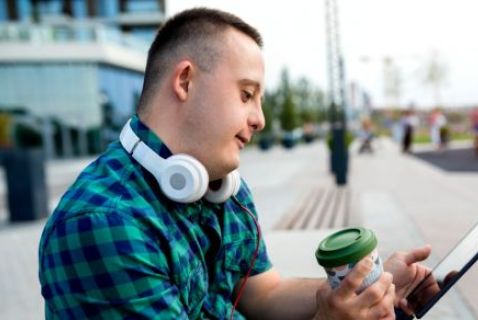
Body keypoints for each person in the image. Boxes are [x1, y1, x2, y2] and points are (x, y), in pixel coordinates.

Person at [38, 8, 432, 319]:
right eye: (247, 95)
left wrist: (368, 290)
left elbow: (265, 293)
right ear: (186, 81)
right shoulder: (101, 224)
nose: (260, 119)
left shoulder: (223, 188)